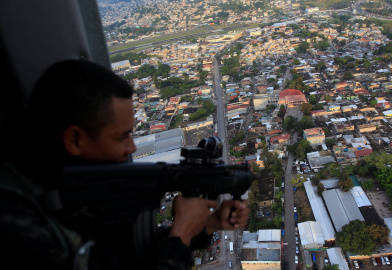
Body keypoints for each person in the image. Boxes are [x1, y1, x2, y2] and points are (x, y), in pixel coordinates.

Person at [18, 59, 250, 269]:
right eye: (121, 137)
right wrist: (180, 236)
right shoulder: (21, 225)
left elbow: (124, 255)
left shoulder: (63, 199)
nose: (132, 147)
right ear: (74, 140)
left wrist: (207, 224)